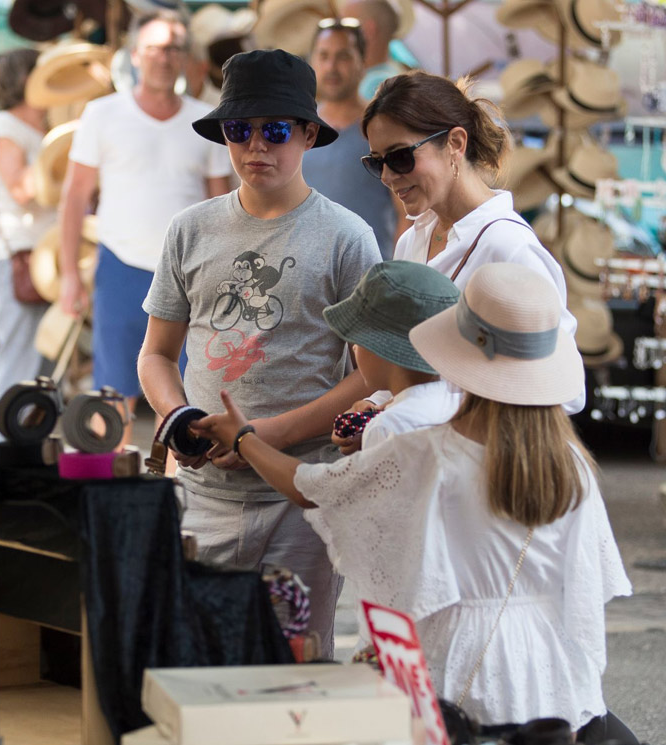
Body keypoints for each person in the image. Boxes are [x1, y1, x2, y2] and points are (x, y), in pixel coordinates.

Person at [191, 262, 634, 741]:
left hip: (458, 664)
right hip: (549, 669)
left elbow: (311, 486)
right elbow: (585, 591)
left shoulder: (428, 455)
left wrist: (246, 441)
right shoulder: (572, 464)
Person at [137, 49, 381, 657]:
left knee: (294, 671)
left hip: (301, 499)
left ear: (306, 133)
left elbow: (372, 377)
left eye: (274, 130)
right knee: (194, 662)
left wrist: (261, 437)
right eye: (237, 131)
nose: (256, 148)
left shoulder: (348, 236)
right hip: (199, 500)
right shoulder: (188, 229)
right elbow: (157, 356)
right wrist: (180, 421)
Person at [334, 69, 584, 454]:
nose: (386, 176)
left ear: (455, 142)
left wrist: (418, 412)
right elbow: (406, 362)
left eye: (400, 157)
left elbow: (565, 392)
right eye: (376, 162)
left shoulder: (510, 247)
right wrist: (378, 403)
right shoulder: (413, 240)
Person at [59, 10, 233, 444]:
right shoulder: (102, 114)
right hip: (121, 264)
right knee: (114, 391)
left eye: (174, 48)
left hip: (190, 274)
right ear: (135, 55)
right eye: (155, 48)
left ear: (184, 58)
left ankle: (175, 495)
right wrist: (67, 274)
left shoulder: (206, 120)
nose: (164, 57)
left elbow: (222, 203)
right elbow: (75, 196)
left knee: (182, 396)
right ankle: (109, 486)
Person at [324, 260, 461, 450]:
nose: (354, 348)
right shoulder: (457, 406)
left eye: (360, 340)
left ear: (384, 351)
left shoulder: (385, 427)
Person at [304, 17, 407, 259]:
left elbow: (406, 213)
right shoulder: (298, 130)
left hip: (370, 277)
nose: (332, 67)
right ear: (312, 63)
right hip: (306, 278)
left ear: (363, 63)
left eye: (344, 57)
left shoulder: (383, 129)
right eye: (324, 56)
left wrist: (394, 274)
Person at [0, 48, 57, 400]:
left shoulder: (43, 126)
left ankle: (25, 445)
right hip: (22, 252)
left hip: (49, 255)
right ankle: (1, 447)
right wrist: (59, 163)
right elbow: (19, 188)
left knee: (44, 363)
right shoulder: (5, 125)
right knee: (19, 357)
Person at [339, 0, 406, 101]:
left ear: (368, 30)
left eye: (344, 25)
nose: (336, 33)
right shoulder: (389, 76)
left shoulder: (375, 86)